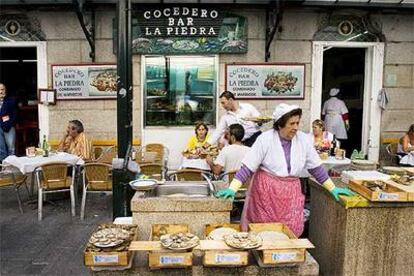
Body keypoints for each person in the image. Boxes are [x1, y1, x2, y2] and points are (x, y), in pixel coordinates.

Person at [216, 103, 354, 236]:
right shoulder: (265, 139)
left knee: (289, 230)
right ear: (280, 124)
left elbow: (316, 168)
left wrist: (332, 188)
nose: (295, 127)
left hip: (290, 193)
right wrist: (232, 188)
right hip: (266, 193)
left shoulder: (303, 140)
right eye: (291, 124)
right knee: (264, 230)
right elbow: (247, 168)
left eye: (297, 123)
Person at [0, 83, 17, 161]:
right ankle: (4, 166)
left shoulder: (11, 101)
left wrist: (9, 124)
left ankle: (12, 166)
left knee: (11, 148)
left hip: (8, 126)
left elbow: (15, 115)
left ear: (5, 90)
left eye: (2, 89)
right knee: (1, 149)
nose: (0, 92)